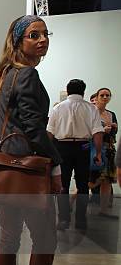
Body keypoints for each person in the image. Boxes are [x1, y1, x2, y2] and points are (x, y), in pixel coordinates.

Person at [0, 15, 90, 265]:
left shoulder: (6, 75)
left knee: (8, 240)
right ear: (18, 40)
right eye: (33, 35)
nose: (41, 39)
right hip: (30, 172)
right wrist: (58, 166)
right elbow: (35, 130)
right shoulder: (28, 74)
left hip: (6, 170)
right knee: (44, 241)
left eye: (45, 34)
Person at [47, 79, 104, 230]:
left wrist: (48, 153)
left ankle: (64, 220)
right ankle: (81, 220)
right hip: (83, 147)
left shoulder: (57, 108)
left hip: (62, 148)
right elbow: (98, 133)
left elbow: (49, 134)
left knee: (63, 185)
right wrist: (98, 153)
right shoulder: (91, 109)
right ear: (83, 92)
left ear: (67, 90)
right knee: (83, 185)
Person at [89, 88, 117, 217]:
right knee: (92, 181)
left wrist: (113, 129)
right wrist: (102, 130)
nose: (105, 97)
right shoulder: (91, 113)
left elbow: (114, 133)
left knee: (107, 181)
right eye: (102, 95)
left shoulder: (111, 114)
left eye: (107, 95)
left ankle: (104, 210)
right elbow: (88, 132)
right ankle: (71, 203)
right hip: (96, 149)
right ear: (97, 97)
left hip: (109, 149)